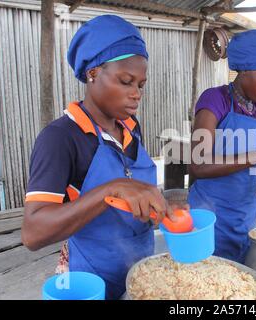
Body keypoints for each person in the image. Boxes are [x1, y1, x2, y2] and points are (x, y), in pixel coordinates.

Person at [21, 15, 179, 300]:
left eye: (140, 85)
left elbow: (131, 192)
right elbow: (33, 233)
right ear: (93, 73)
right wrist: (110, 189)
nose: (136, 94)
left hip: (138, 275)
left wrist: (161, 210)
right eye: (126, 81)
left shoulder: (130, 127)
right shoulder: (61, 138)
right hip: (91, 281)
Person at [188, 29, 256, 263]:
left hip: (244, 216)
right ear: (244, 69)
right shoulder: (215, 100)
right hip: (210, 216)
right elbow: (198, 165)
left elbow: (249, 167)